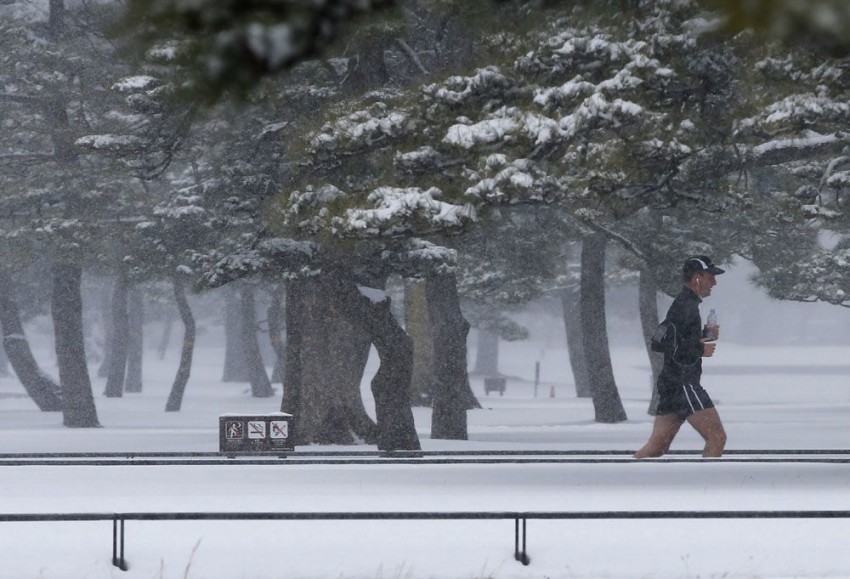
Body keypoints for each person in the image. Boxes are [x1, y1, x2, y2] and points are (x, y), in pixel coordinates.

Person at [634, 256, 727, 458]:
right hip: (683, 384)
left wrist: (702, 337)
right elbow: (667, 345)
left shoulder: (685, 304)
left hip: (670, 384)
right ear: (697, 277)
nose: (714, 282)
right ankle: (706, 486)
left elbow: (670, 339)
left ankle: (625, 481)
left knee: (657, 446)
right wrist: (699, 350)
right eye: (711, 276)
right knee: (717, 437)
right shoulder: (685, 306)